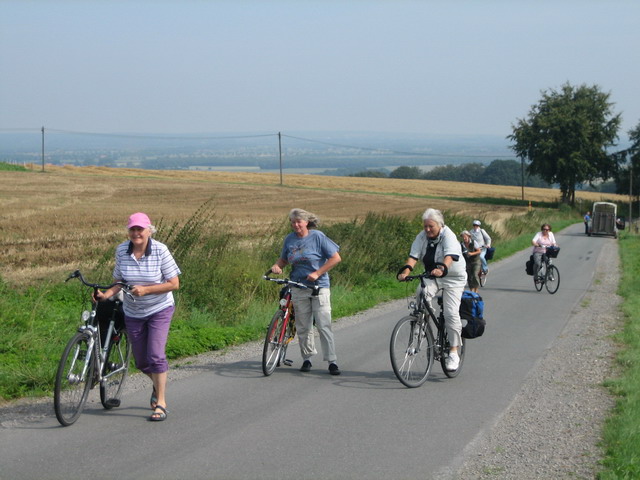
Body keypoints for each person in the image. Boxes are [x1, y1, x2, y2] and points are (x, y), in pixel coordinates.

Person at [95, 212, 181, 422]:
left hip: (159, 309)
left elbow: (174, 284)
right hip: (133, 311)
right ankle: (156, 382)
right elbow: (119, 281)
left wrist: (147, 290)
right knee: (142, 362)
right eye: (132, 229)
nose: (136, 233)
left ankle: (161, 402)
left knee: (156, 355)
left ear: (149, 231)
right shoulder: (122, 250)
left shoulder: (160, 250)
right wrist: (105, 295)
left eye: (140, 229)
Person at [269, 208, 342, 375]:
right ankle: (307, 358)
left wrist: (317, 273)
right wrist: (277, 266)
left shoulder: (318, 237)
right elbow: (284, 259)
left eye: (298, 222)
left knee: (323, 324)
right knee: (303, 326)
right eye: (293, 222)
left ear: (306, 222)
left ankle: (332, 361)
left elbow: (336, 258)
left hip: (318, 287)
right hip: (298, 285)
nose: (296, 225)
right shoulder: (289, 239)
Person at [397, 208, 467, 371]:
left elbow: (450, 256)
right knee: (421, 293)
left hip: (453, 278)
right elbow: (414, 256)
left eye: (431, 226)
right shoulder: (422, 237)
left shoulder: (448, 236)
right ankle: (422, 324)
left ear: (440, 225)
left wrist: (443, 269)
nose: (427, 229)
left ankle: (453, 352)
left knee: (451, 313)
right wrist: (406, 271)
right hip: (433, 275)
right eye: (425, 226)